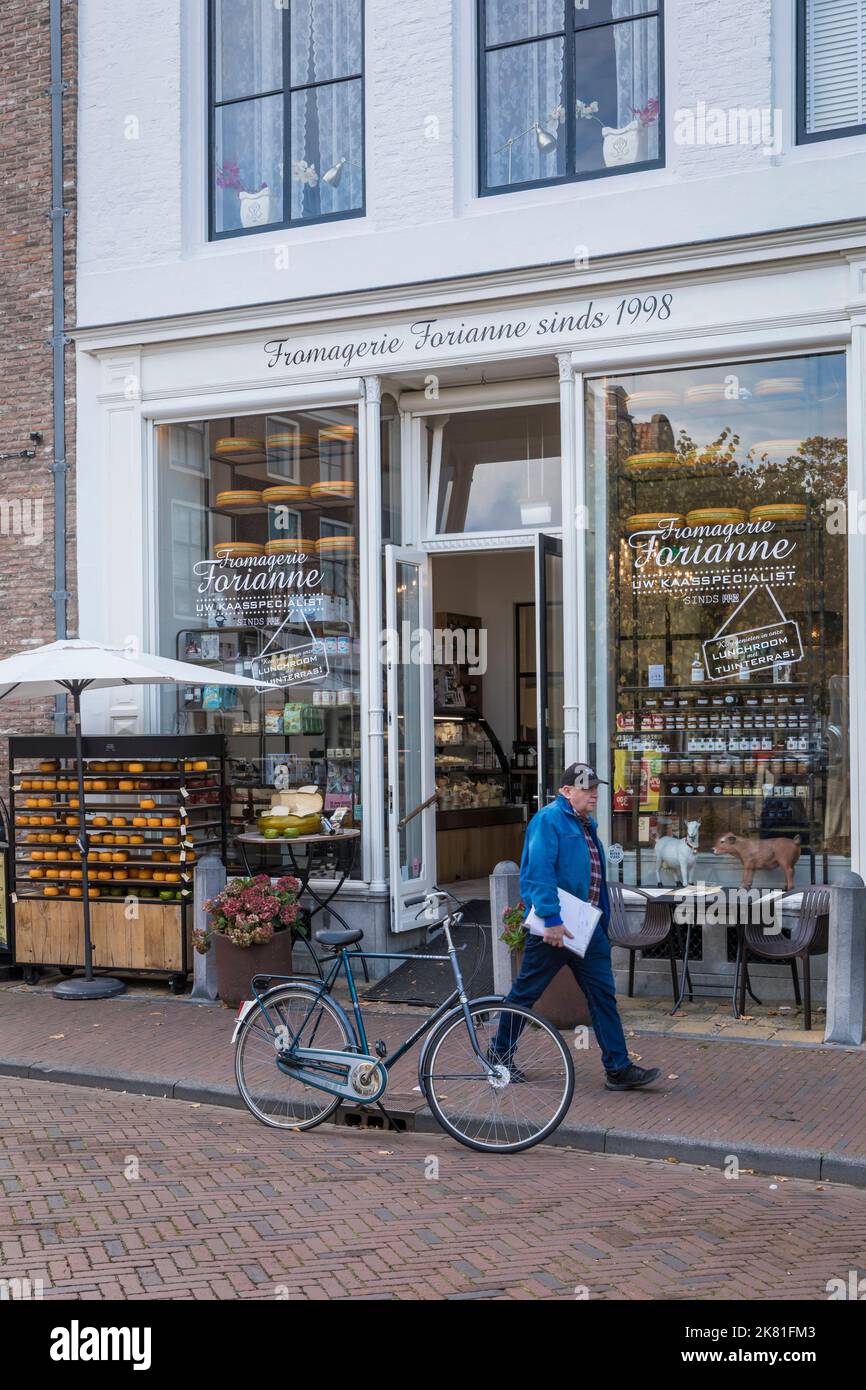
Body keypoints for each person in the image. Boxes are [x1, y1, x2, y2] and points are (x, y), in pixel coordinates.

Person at [491, 763, 660, 1091]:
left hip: (586, 925)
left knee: (602, 996)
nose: (594, 793)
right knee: (525, 993)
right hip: (558, 928)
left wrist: (602, 922)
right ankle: (498, 1055)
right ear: (567, 791)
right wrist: (551, 920)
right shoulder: (549, 820)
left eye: (596, 787)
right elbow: (538, 873)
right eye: (587, 788)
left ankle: (618, 1068)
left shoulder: (584, 824)